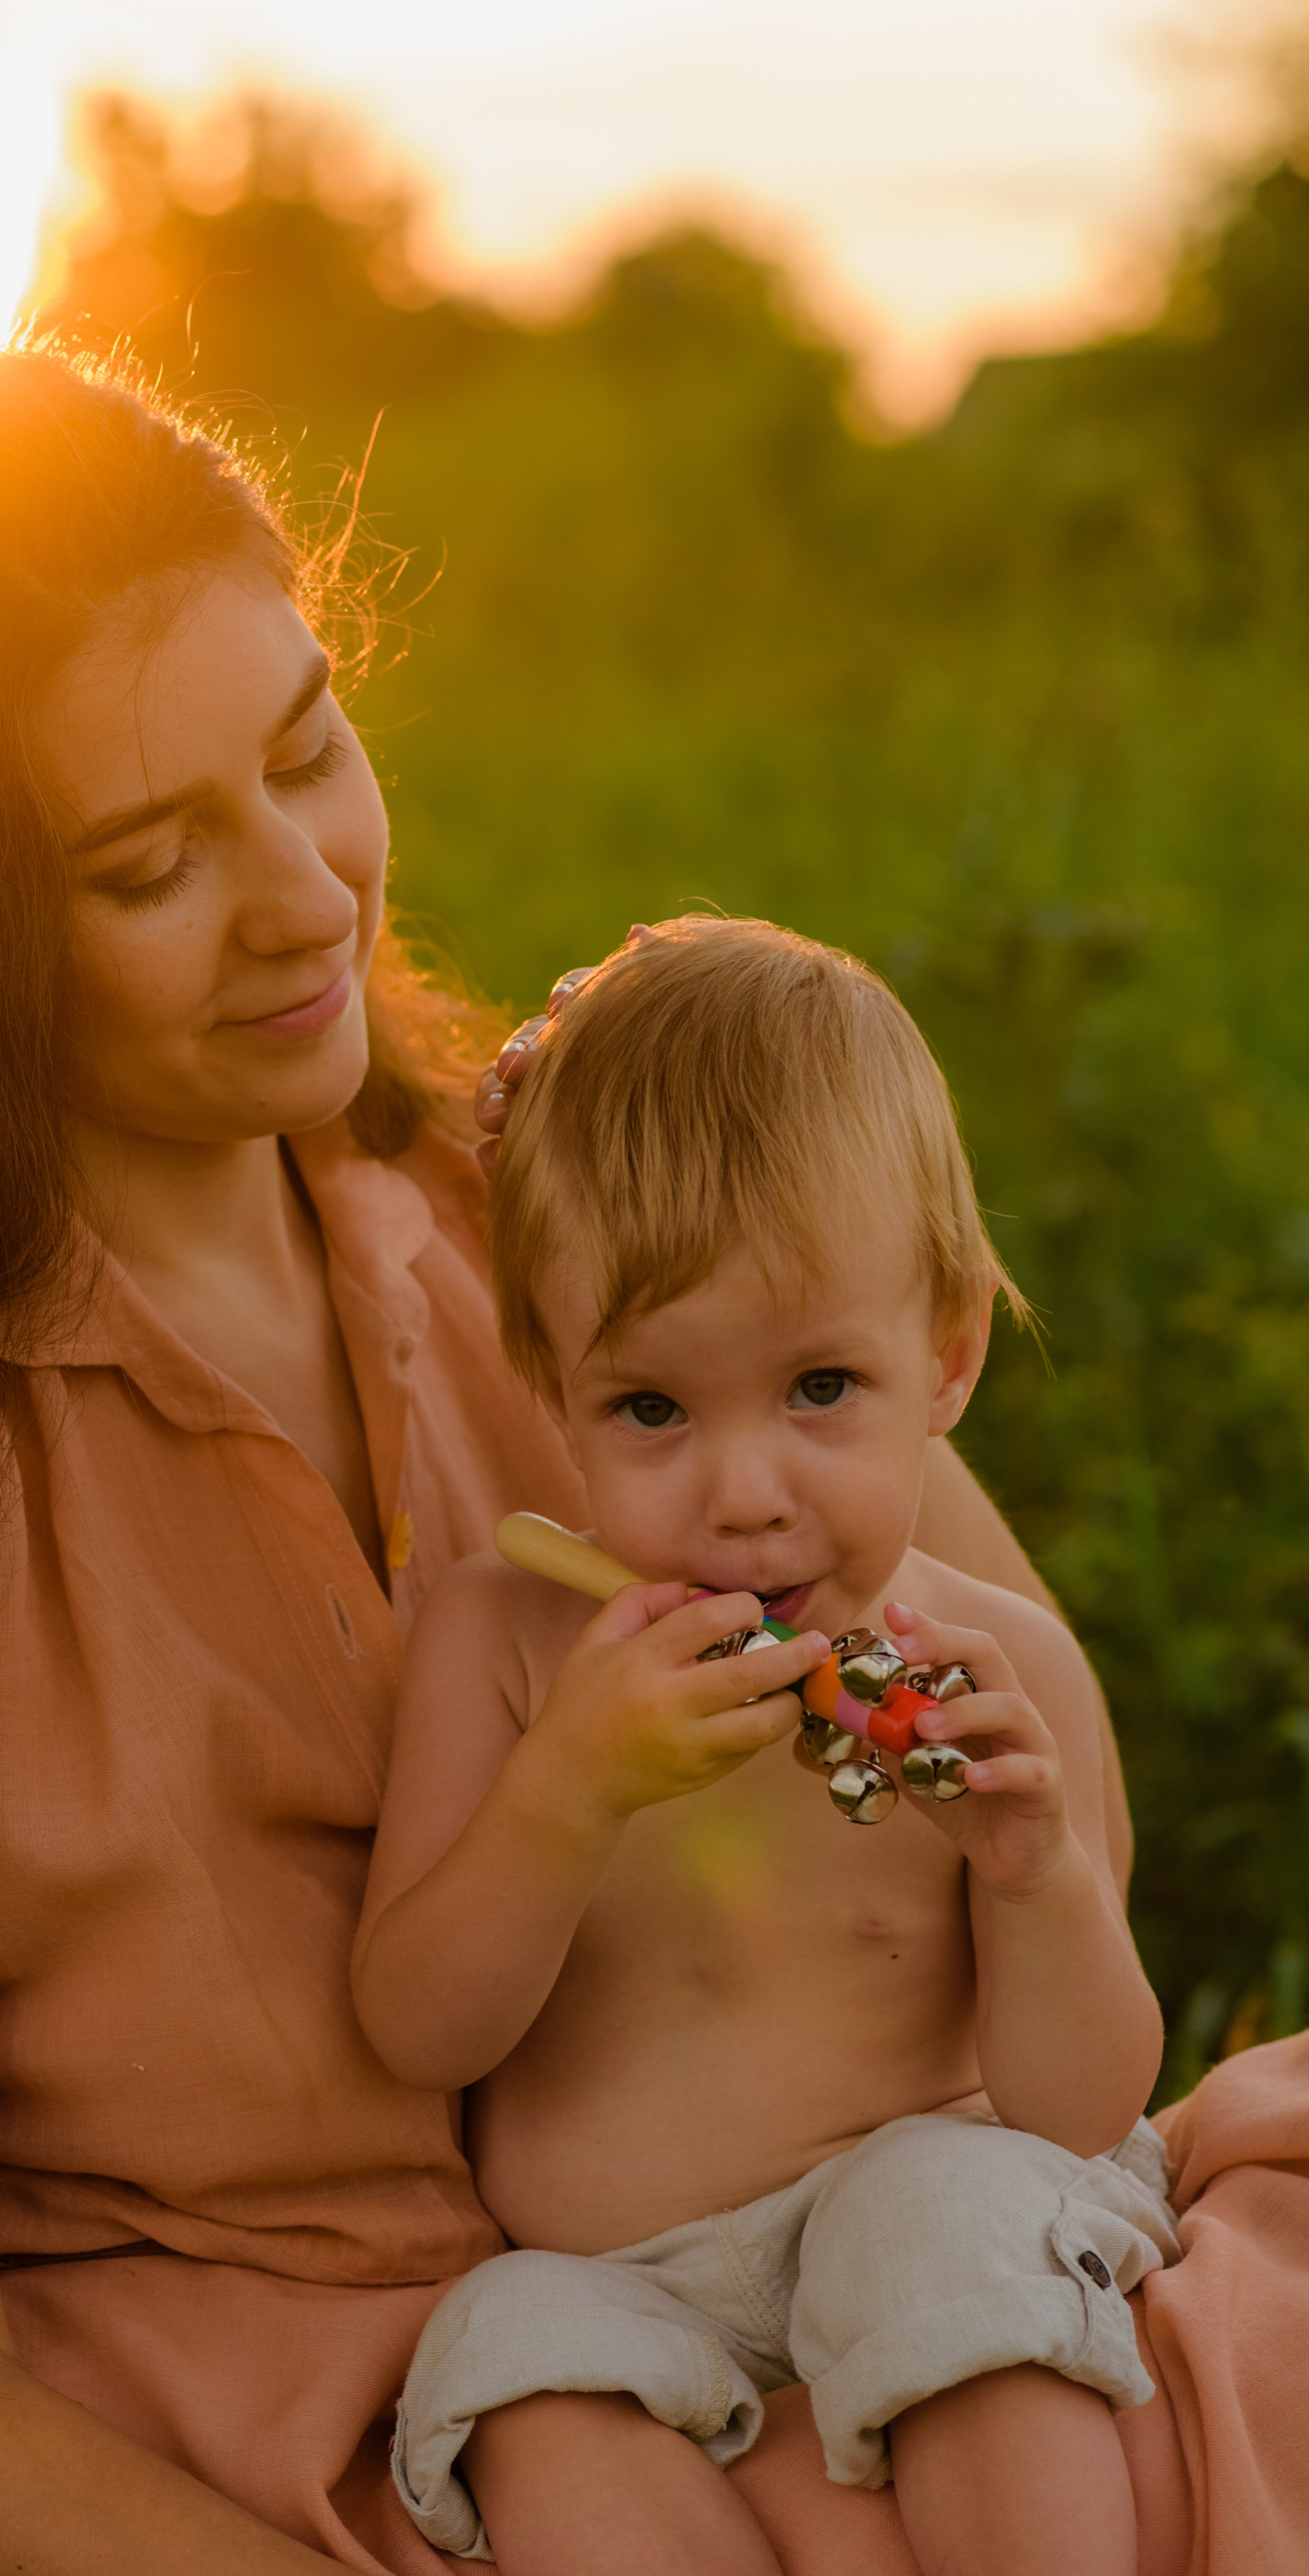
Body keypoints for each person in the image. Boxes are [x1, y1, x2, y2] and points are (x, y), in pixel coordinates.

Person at [0, 351, 1140, 2576]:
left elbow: (1002, 1681)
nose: (304, 897)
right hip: (305, 2472)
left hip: (829, 2305)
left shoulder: (518, 1229)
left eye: (306, 751)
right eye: (147, 860)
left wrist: (727, 1150)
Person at [353, 920, 1175, 2576]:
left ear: (941, 1359)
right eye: (649, 1410)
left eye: (817, 1388)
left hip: (923, 2190)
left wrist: (1035, 1875)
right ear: (548, 1387)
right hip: (631, 2279)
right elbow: (415, 2029)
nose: (741, 1493)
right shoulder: (502, 1645)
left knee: (941, 2214)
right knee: (509, 2352)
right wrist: (562, 1794)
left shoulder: (984, 1672)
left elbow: (1079, 2105)